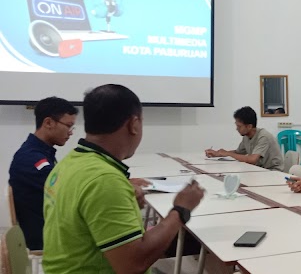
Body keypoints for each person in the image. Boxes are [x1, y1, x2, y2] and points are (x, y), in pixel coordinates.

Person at [42, 84, 205, 273]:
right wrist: (180, 210)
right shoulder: (104, 180)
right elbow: (133, 265)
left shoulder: (69, 163)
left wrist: (123, 198)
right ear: (133, 124)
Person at [8, 97, 78, 250]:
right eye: (68, 126)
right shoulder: (31, 158)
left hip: (52, 231)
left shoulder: (42, 153)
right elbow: (66, 188)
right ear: (48, 123)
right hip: (45, 240)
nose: (71, 133)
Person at [205, 106, 283, 171]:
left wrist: (227, 153)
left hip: (272, 172)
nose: (236, 129)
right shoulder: (246, 136)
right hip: (259, 170)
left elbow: (252, 160)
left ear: (249, 126)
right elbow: (238, 153)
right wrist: (218, 154)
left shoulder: (263, 137)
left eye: (239, 126)